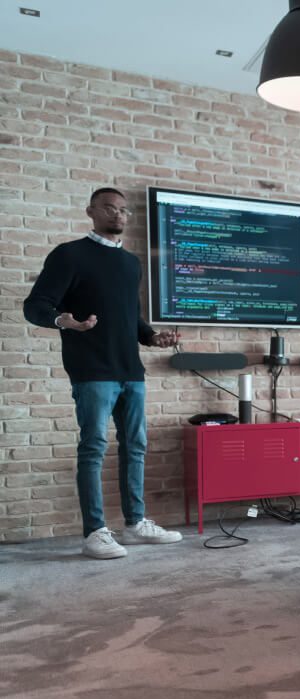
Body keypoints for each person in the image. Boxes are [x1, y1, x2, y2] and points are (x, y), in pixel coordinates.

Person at [23, 187, 183, 560]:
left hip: (132, 371)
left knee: (135, 447)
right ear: (90, 211)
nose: (119, 216)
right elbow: (35, 306)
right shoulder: (69, 255)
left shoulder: (130, 263)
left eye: (124, 210)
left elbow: (132, 318)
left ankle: (135, 524)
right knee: (93, 448)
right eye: (110, 208)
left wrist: (153, 337)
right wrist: (64, 320)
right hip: (92, 370)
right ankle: (94, 532)